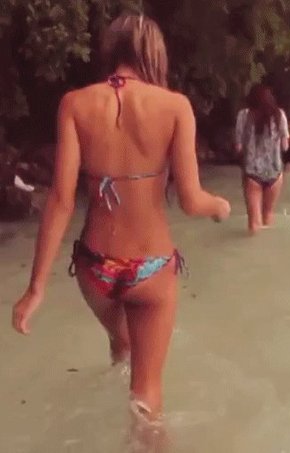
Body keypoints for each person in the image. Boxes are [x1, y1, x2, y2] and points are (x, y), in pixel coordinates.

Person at [11, 13, 230, 423]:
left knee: (122, 343)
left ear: (110, 50)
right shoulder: (175, 107)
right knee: (147, 394)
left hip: (95, 269)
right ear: (155, 54)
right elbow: (191, 201)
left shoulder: (75, 103)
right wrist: (219, 207)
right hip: (151, 269)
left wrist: (35, 288)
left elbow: (60, 200)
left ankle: (117, 371)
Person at [235, 84, 289, 234]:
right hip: (275, 172)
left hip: (252, 173)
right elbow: (285, 147)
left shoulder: (244, 115)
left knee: (254, 222)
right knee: (268, 214)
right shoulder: (280, 115)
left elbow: (238, 147)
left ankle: (253, 247)